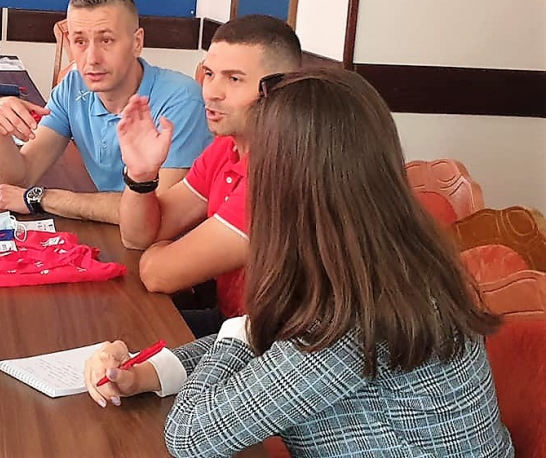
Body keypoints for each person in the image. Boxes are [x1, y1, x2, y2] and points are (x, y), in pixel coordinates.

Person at [84, 68, 515, 457]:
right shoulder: (386, 261)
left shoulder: (353, 317)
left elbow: (191, 435)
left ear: (291, 182)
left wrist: (241, 326)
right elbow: (272, 350)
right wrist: (146, 371)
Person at [117, 15, 302, 336]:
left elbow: (159, 274)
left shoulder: (281, 169)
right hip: (231, 320)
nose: (211, 92)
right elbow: (137, 237)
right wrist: (141, 176)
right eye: (210, 74)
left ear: (278, 90)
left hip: (274, 341)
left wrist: (167, 253)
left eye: (234, 79)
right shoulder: (227, 145)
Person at [0, 0, 210, 225]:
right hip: (111, 234)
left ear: (137, 42)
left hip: (172, 242)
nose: (92, 58)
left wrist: (42, 198)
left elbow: (157, 214)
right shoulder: (73, 87)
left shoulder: (181, 101)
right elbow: (19, 180)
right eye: (80, 41)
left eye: (106, 40)